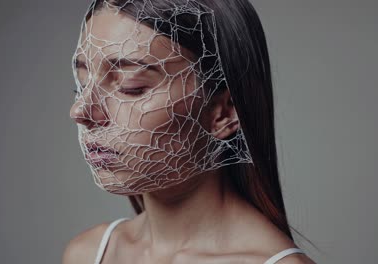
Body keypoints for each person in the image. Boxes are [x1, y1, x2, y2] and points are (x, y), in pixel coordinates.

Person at [65, 0, 316, 263]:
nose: (80, 111)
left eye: (131, 87)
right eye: (82, 85)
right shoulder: (89, 254)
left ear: (224, 112)